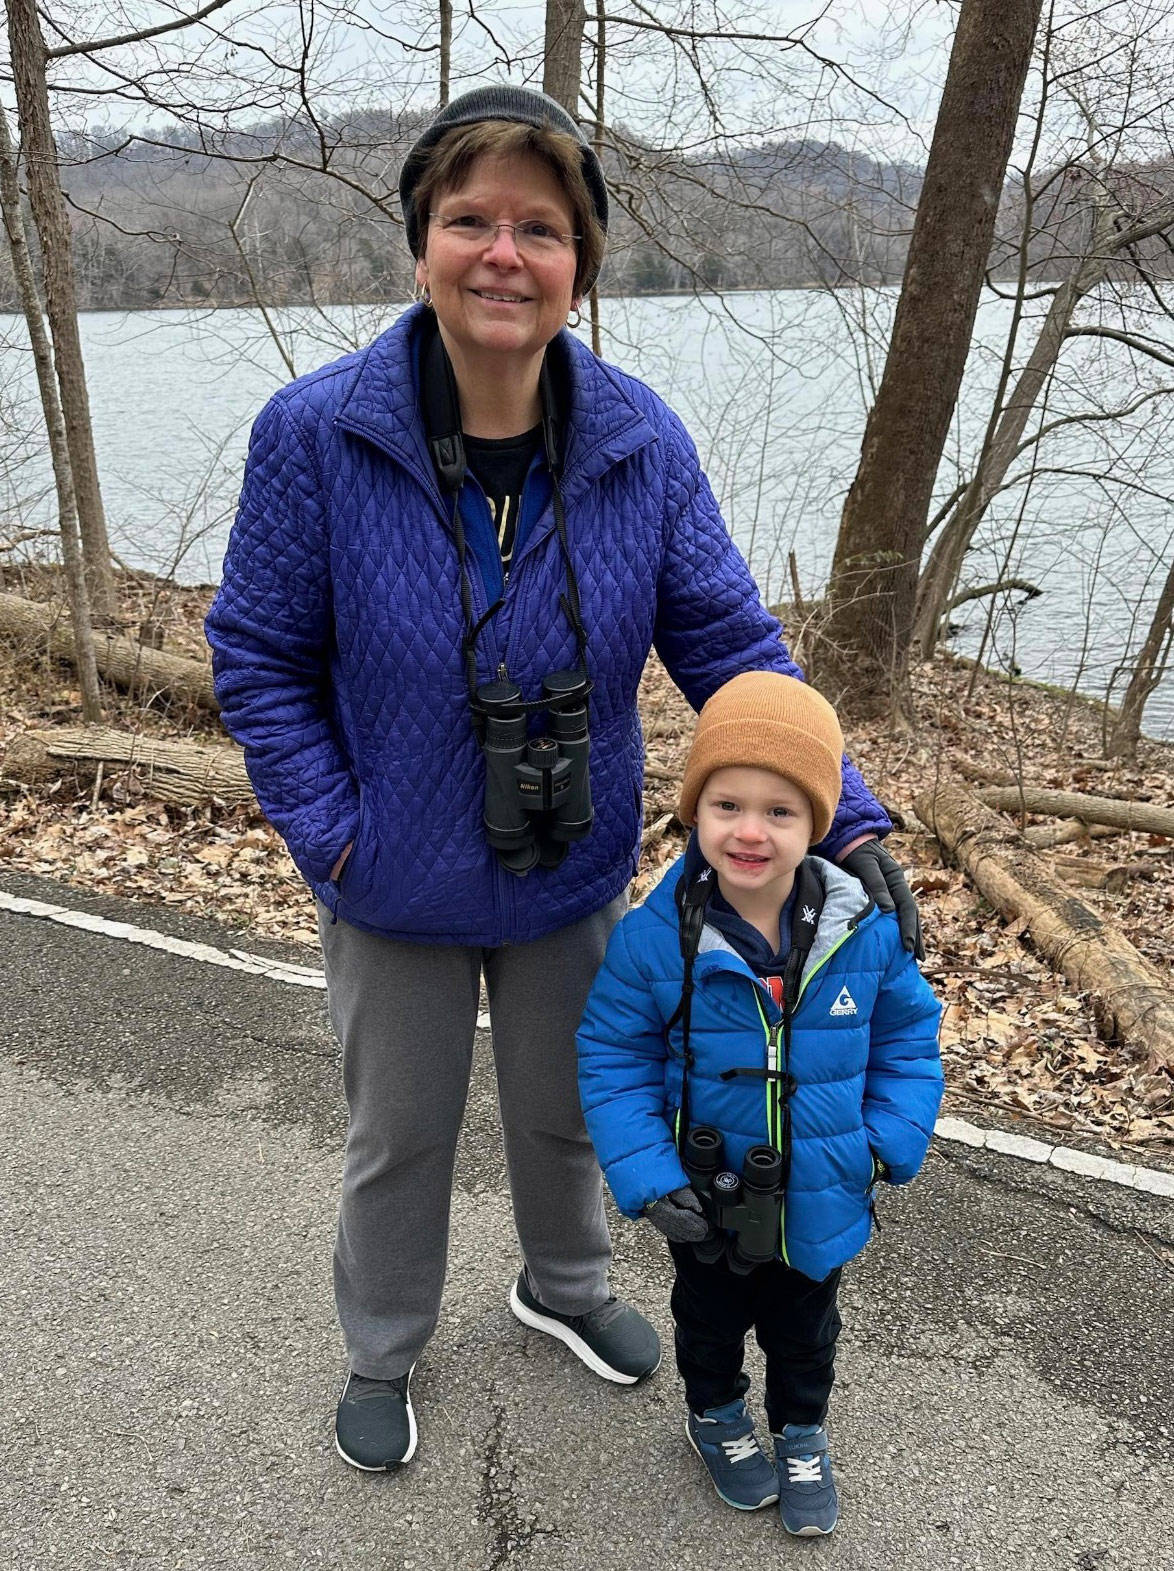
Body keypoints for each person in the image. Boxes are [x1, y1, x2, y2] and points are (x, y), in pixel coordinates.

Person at [204, 84, 923, 1474]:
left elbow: (731, 646)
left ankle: (566, 1281)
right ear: (420, 242)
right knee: (397, 1135)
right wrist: (332, 831)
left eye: (539, 227)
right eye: (468, 218)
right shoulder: (313, 435)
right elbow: (258, 656)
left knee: (578, 1103)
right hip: (389, 875)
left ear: (578, 263)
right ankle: (382, 1342)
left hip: (570, 864)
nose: (502, 253)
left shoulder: (635, 440)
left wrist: (858, 814)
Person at [576, 672, 943, 1536]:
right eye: (727, 804)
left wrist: (886, 1140)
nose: (749, 830)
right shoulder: (653, 936)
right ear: (694, 812)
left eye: (780, 811)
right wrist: (646, 1172)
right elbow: (613, 1054)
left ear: (817, 824)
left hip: (823, 1192)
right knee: (706, 1325)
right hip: (704, 1197)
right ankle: (715, 1416)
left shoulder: (866, 932)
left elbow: (908, 1041)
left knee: (807, 1331)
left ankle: (801, 1431)